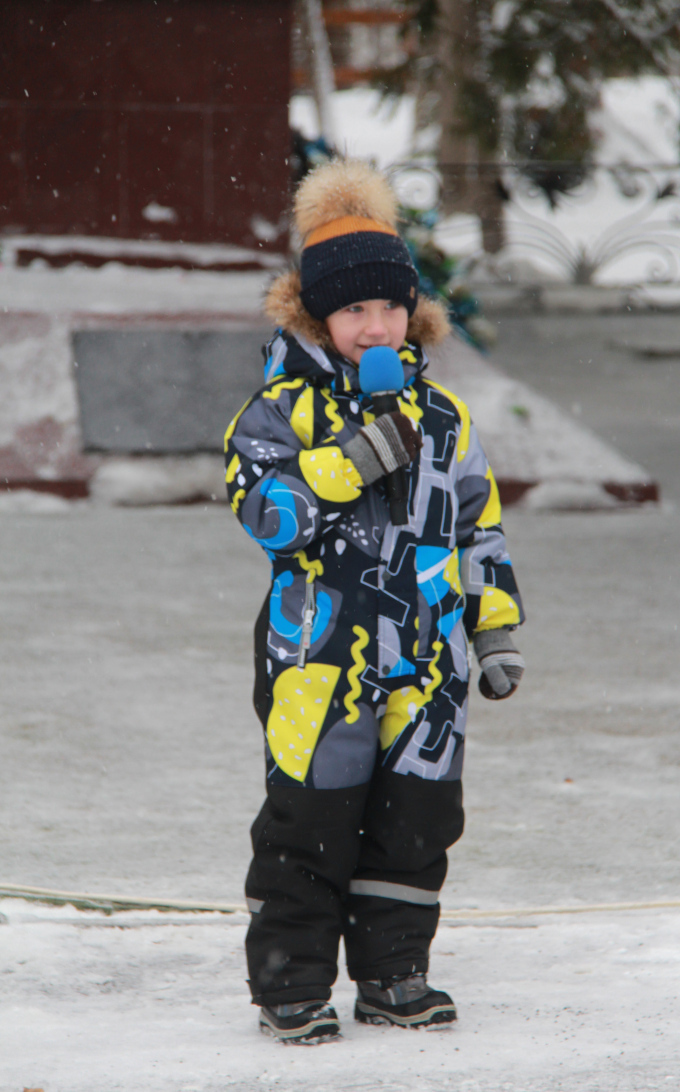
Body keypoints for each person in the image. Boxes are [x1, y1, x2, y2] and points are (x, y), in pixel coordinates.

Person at [224, 159, 525, 1043]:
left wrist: (495, 629)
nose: (375, 324)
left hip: (426, 659)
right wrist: (356, 454)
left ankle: (395, 973)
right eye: (354, 310)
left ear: (413, 313)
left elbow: (481, 529)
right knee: (311, 814)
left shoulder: (445, 417)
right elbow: (264, 510)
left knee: (418, 818)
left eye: (390, 307)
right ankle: (292, 978)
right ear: (318, 316)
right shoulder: (278, 411)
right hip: (319, 655)